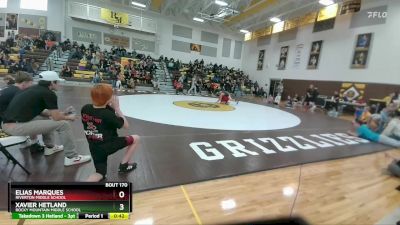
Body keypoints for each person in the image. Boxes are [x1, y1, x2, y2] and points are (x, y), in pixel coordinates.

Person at [2, 71, 92, 164]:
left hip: (9, 123)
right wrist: (69, 117)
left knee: (46, 118)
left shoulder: (34, 90)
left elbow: (44, 112)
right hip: (14, 127)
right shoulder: (49, 94)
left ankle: (50, 147)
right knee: (64, 125)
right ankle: (72, 157)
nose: (59, 84)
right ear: (52, 83)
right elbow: (57, 118)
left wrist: (64, 113)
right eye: (57, 82)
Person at [81, 84, 140, 182]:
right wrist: (117, 108)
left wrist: (107, 104)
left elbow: (99, 110)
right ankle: (124, 166)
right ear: (108, 99)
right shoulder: (108, 114)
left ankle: (79, 191)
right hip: (109, 145)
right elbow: (126, 126)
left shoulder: (85, 108)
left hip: (94, 147)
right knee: (136, 138)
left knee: (99, 174)